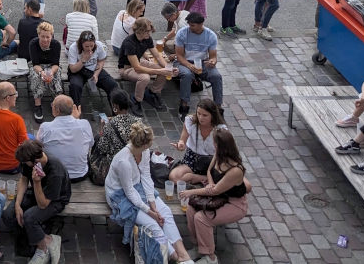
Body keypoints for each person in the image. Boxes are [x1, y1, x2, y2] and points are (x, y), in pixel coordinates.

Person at [106, 123, 194, 263]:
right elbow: (129, 192)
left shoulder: (145, 152)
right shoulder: (124, 162)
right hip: (119, 195)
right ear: (145, 144)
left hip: (137, 188)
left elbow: (146, 177)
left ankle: (184, 255)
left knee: (164, 211)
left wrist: (153, 204)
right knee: (153, 225)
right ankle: (177, 258)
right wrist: (150, 212)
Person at [179, 129, 250, 264]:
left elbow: (215, 191)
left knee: (202, 218)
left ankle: (210, 257)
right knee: (191, 209)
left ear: (220, 145)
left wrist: (192, 192)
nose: (213, 145)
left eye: (214, 143)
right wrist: (210, 183)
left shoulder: (235, 170)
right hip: (218, 196)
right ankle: (198, 247)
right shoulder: (218, 155)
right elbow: (209, 172)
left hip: (234, 203)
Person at [0, 140, 70, 264]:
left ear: (35, 161)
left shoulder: (55, 172)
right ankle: (45, 238)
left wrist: (37, 182)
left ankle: (42, 248)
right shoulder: (30, 161)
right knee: (8, 216)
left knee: (29, 217)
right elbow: (24, 179)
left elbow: (43, 204)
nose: (23, 165)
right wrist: (17, 204)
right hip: (36, 193)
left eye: (25, 163)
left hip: (55, 200)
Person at [118, 17, 172, 117]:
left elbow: (158, 56)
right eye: (147, 31)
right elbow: (137, 68)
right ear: (139, 31)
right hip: (126, 68)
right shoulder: (129, 43)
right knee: (145, 78)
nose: (149, 33)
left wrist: (168, 68)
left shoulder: (147, 39)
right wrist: (160, 71)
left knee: (164, 69)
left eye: (149, 31)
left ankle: (152, 92)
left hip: (138, 62)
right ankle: (136, 100)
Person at [175, 12, 224, 119]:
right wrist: (189, 65)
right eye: (189, 25)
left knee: (216, 76)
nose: (190, 27)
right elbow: (179, 55)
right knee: (187, 75)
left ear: (201, 24)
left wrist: (212, 61)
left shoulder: (210, 36)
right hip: (185, 61)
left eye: (193, 25)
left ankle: (218, 107)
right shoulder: (182, 33)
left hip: (202, 62)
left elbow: (213, 56)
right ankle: (184, 105)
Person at [169, 98, 227, 185]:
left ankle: (196, 178)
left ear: (212, 115)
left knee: (230, 180)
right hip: (193, 158)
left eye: (205, 115)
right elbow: (182, 140)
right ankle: (203, 178)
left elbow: (224, 152)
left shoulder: (220, 129)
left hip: (212, 160)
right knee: (174, 177)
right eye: (198, 113)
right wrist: (181, 145)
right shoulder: (190, 121)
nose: (200, 118)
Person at [36, 95, 92, 182]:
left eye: (52, 105)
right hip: (80, 174)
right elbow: (90, 144)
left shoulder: (46, 127)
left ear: (57, 111)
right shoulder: (85, 124)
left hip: (56, 175)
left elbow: (38, 148)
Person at [90, 90, 139, 183]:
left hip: (116, 163)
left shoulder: (110, 125)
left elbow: (102, 148)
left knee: (97, 139)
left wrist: (102, 128)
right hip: (132, 161)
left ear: (115, 106)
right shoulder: (138, 121)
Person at [0, 81, 29, 173]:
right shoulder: (17, 119)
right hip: (12, 165)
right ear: (8, 98)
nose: (16, 97)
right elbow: (25, 145)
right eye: (15, 94)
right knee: (31, 138)